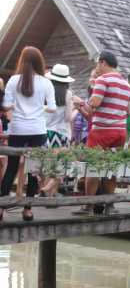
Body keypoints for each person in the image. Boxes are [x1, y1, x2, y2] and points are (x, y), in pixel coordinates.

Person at [0, 46, 56, 222]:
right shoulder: (46, 82)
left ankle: (1, 209)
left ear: (21, 61)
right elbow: (53, 108)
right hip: (38, 130)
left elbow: (6, 106)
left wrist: (18, 107)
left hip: (18, 129)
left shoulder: (13, 80)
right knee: (33, 170)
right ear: (40, 62)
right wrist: (40, 108)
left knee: (11, 168)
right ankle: (28, 210)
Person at [73, 51, 130, 215]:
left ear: (103, 62)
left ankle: (88, 206)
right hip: (120, 132)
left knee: (93, 168)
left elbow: (94, 104)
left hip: (102, 131)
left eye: (97, 64)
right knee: (111, 168)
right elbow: (127, 111)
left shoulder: (102, 80)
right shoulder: (127, 85)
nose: (96, 67)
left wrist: (81, 103)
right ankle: (110, 205)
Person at [39, 64, 75, 198]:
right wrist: (76, 110)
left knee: (48, 165)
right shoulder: (68, 94)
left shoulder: (44, 91)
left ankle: (49, 195)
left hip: (44, 133)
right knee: (63, 165)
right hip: (60, 134)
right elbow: (68, 117)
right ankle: (48, 189)